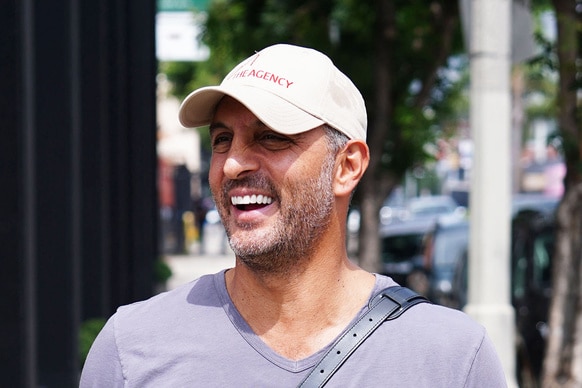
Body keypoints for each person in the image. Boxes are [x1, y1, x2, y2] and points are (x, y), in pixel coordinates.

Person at [80, 44, 507, 387]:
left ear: (347, 167)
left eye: (270, 137)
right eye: (222, 140)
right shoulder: (131, 349)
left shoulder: (451, 357)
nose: (232, 164)